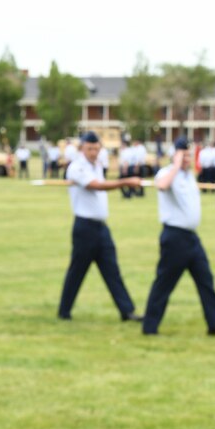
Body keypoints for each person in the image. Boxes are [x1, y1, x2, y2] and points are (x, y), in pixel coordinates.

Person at [141, 138, 215, 337]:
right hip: (174, 237)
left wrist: (181, 167)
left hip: (191, 237)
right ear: (174, 155)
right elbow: (162, 186)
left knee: (205, 279)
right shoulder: (167, 173)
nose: (187, 159)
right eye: (183, 155)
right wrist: (175, 165)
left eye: (188, 155)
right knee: (164, 283)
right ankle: (150, 327)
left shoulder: (189, 176)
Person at [57, 131, 143, 322]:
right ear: (82, 148)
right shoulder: (76, 167)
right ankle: (64, 311)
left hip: (101, 227)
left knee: (112, 270)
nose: (93, 152)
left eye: (96, 148)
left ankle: (126, 311)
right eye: (90, 148)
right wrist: (125, 182)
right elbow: (95, 186)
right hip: (84, 227)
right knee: (77, 271)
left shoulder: (97, 164)